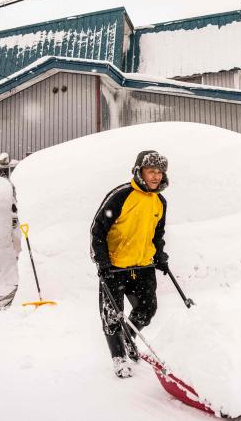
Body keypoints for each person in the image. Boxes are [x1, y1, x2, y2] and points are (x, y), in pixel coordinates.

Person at [90, 150, 170, 378]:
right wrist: (102, 261)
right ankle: (119, 357)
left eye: (159, 172)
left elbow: (157, 233)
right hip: (115, 267)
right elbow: (98, 230)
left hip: (143, 267)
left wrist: (160, 255)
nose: (156, 176)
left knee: (148, 309)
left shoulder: (160, 201)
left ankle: (127, 338)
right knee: (112, 315)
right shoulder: (121, 195)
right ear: (139, 171)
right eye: (151, 171)